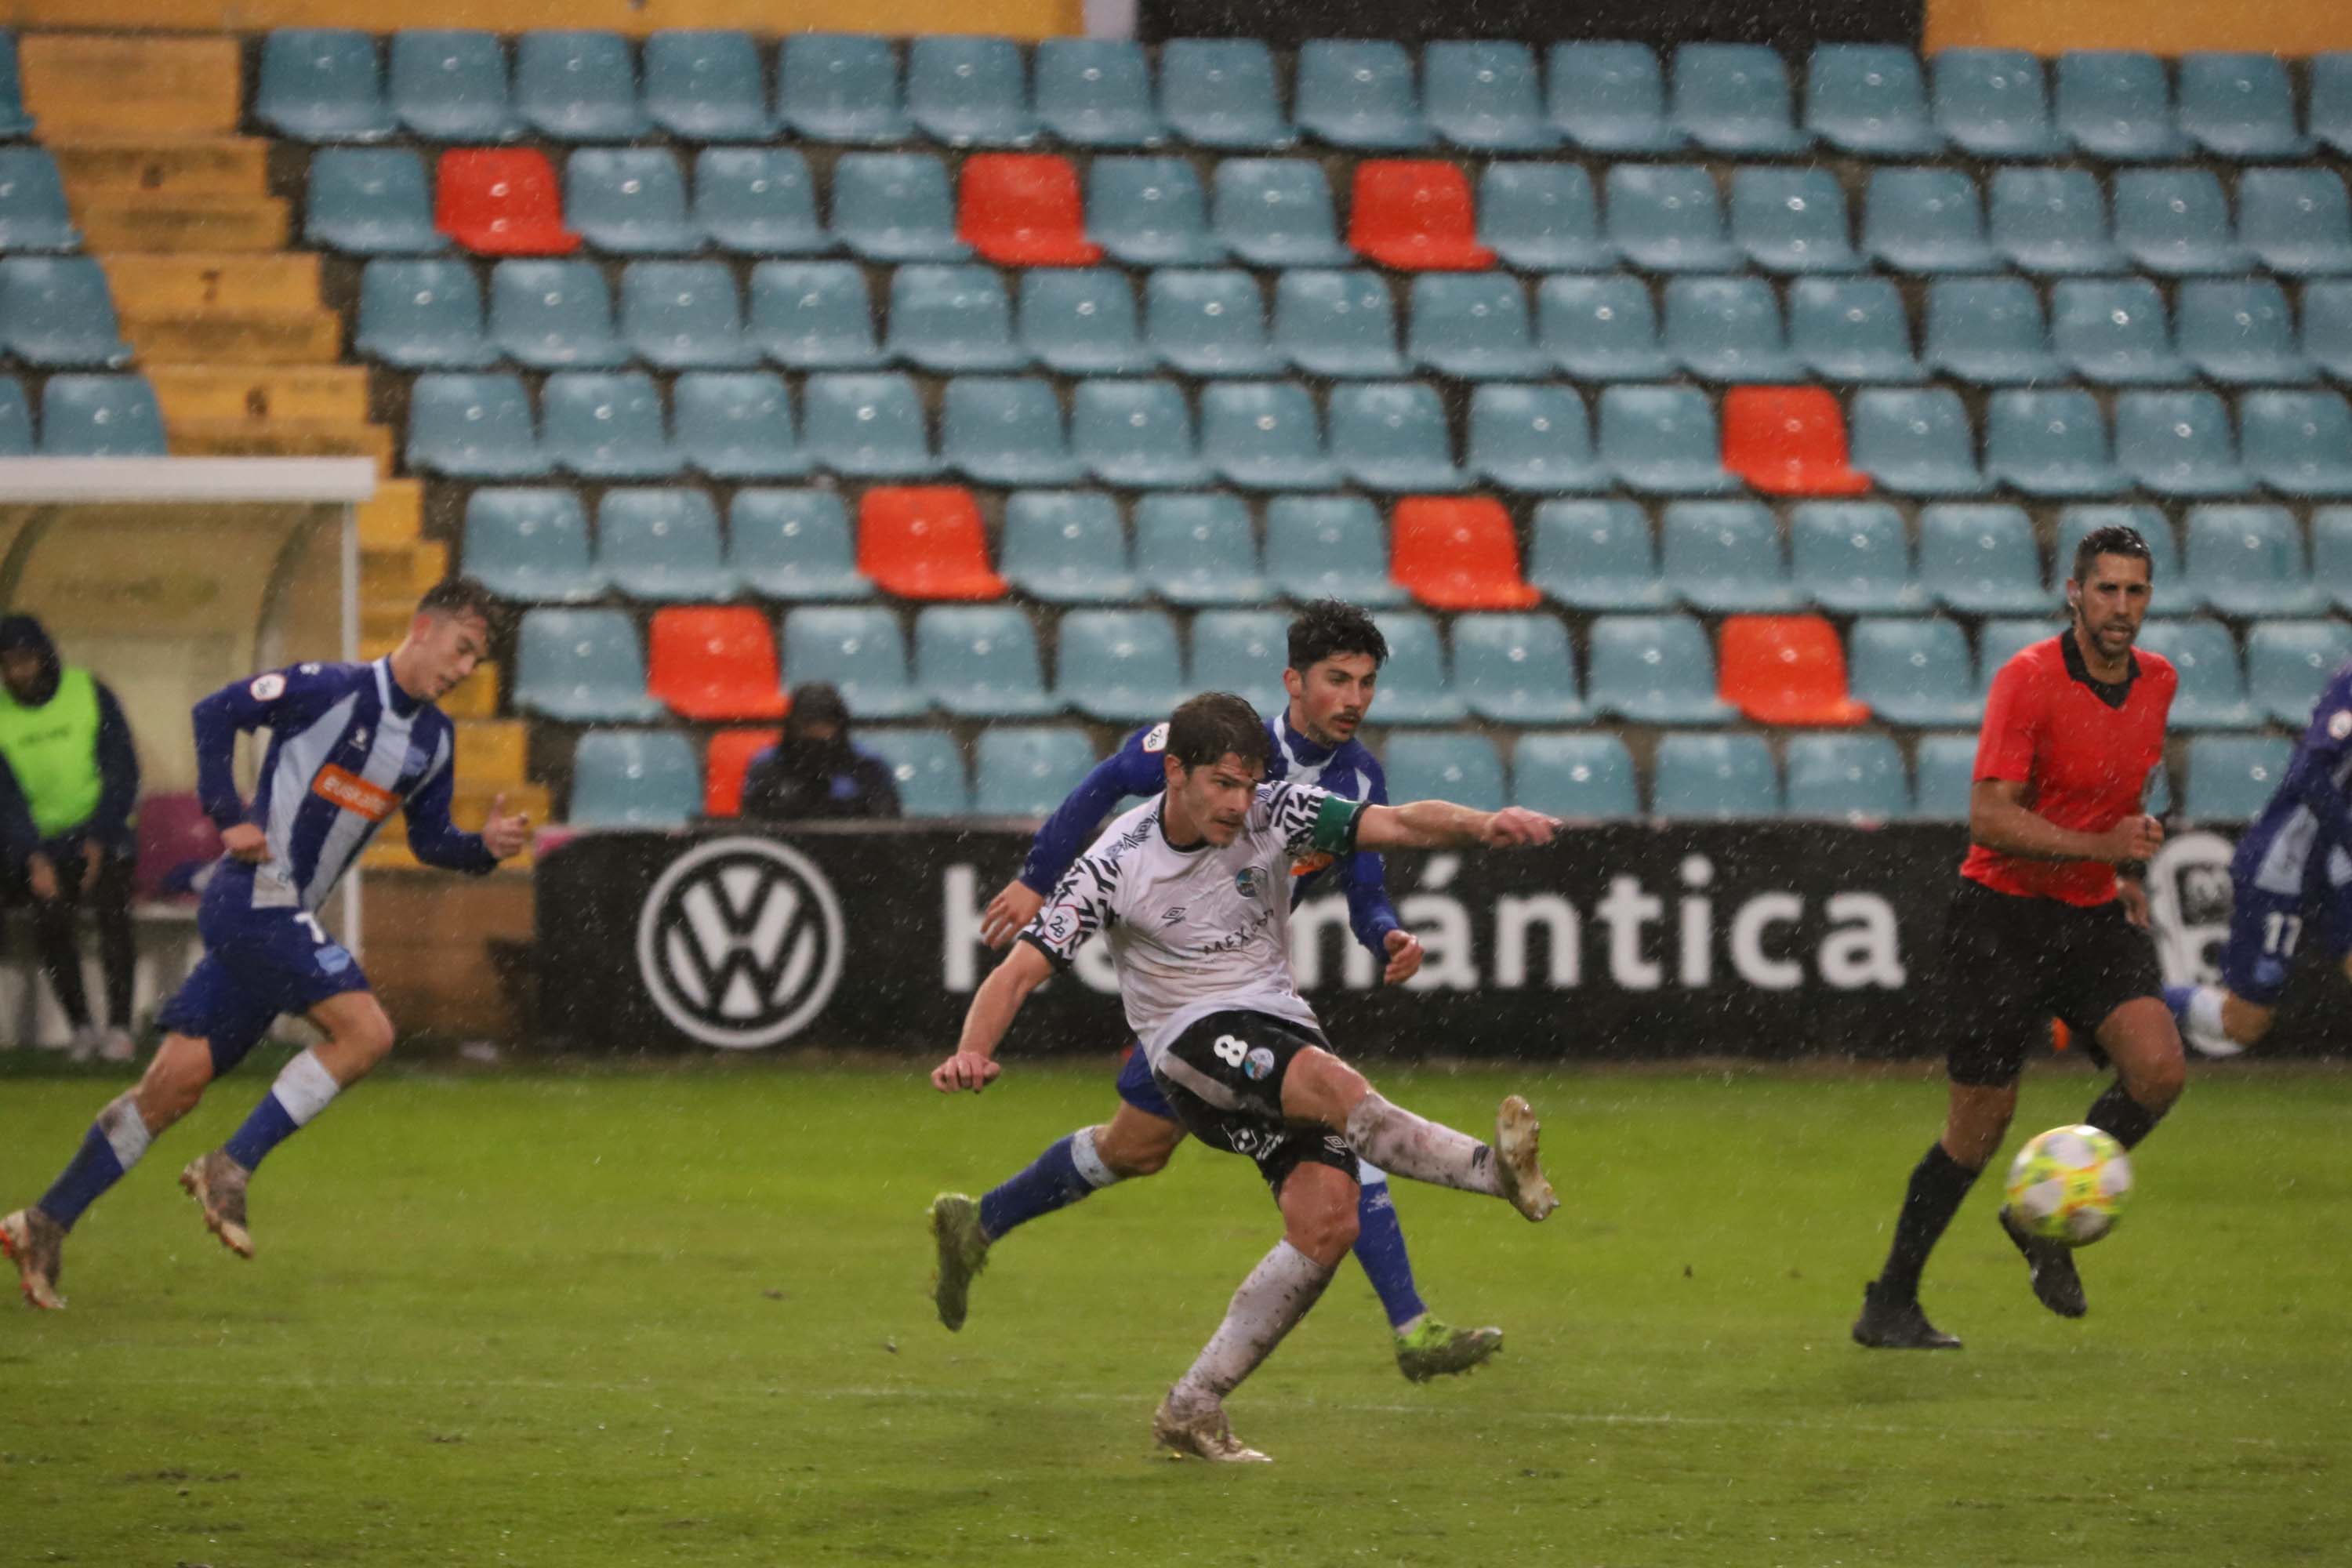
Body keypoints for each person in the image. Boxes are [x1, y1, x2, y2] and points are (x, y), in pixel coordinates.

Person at [931, 691, 1562, 1462]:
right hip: (1191, 1047)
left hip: (1276, 1020)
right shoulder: (1116, 861)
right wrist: (972, 1047)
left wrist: (1483, 823)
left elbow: (1392, 823)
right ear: (1176, 772)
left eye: (1248, 783)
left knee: (1328, 1224)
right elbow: (1018, 971)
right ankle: (1490, 1172)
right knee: (1336, 1089)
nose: (1239, 803)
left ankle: (1191, 1407)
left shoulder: (1276, 808)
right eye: (1222, 785)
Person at [1, 578, 532, 1310]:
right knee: (368, 1032)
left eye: (477, 660)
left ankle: (44, 1222)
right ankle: (230, 1166)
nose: (465, 668)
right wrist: (226, 813)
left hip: (281, 922)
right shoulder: (328, 687)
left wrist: (486, 848)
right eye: (462, 648)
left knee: (171, 1089)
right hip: (252, 897)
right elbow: (215, 712)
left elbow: (434, 840)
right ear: (422, 626)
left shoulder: (433, 740)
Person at [1853, 525, 2184, 1350]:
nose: (2120, 606)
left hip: (2092, 913)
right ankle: (1890, 1299)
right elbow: (1989, 817)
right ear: (2074, 591)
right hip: (1998, 920)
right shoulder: (2028, 677)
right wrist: (2103, 848)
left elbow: (2112, 800)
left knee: (2160, 1069)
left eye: (2135, 590)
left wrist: (2125, 864)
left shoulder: (2159, 681)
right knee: (1978, 1124)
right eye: (2105, 588)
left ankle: (2043, 1223)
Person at [2161, 653, 2352, 1057]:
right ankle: (2118, 1002)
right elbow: (2310, 775)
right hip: (2283, 865)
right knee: (2244, 1022)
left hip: (2339, 871)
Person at [0, 615, 140, 1062]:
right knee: (50, 918)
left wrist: (98, 838)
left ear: (44, 657)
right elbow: (5, 796)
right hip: (37, 843)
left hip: (102, 831)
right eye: (7, 664)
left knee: (113, 911)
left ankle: (120, 1028)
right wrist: (31, 857)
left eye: (24, 660)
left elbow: (121, 768)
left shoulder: (89, 693)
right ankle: (80, 1027)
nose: (18, 672)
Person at [738, 681, 900, 822]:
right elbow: (753, 825)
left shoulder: (868, 765)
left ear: (840, 725)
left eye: (824, 724)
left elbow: (887, 823)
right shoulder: (767, 766)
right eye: (807, 724)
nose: (815, 732)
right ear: (792, 725)